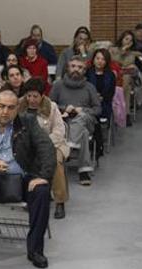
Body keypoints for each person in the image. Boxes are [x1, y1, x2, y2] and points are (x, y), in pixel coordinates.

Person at [0, 89, 56, 268]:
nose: (5, 111)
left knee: (41, 192)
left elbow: (47, 148)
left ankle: (36, 250)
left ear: (17, 109)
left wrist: (43, 177)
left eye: (11, 107)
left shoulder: (28, 122)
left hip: (23, 178)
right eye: (1, 106)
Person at [21, 78, 70, 220]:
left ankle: (60, 201)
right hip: (29, 147)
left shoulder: (52, 107)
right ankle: (30, 196)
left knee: (55, 162)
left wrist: (43, 145)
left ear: (42, 96)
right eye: (28, 96)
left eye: (35, 96)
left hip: (54, 145)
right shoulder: (20, 107)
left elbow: (59, 132)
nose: (31, 99)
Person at [51, 56, 101, 185]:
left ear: (84, 71)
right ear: (67, 68)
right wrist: (63, 108)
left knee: (82, 117)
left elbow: (97, 109)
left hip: (86, 120)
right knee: (83, 133)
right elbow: (49, 106)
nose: (76, 70)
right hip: (64, 121)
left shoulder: (89, 87)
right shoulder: (58, 86)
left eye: (80, 67)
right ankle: (83, 171)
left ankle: (71, 145)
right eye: (73, 66)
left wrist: (82, 110)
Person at [86, 48, 118, 157]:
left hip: (104, 103)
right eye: (98, 58)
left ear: (107, 61)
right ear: (93, 59)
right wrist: (94, 98)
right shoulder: (87, 72)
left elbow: (111, 93)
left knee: (100, 114)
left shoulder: (111, 75)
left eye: (103, 59)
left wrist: (101, 98)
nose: (100, 61)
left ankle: (96, 143)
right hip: (89, 103)